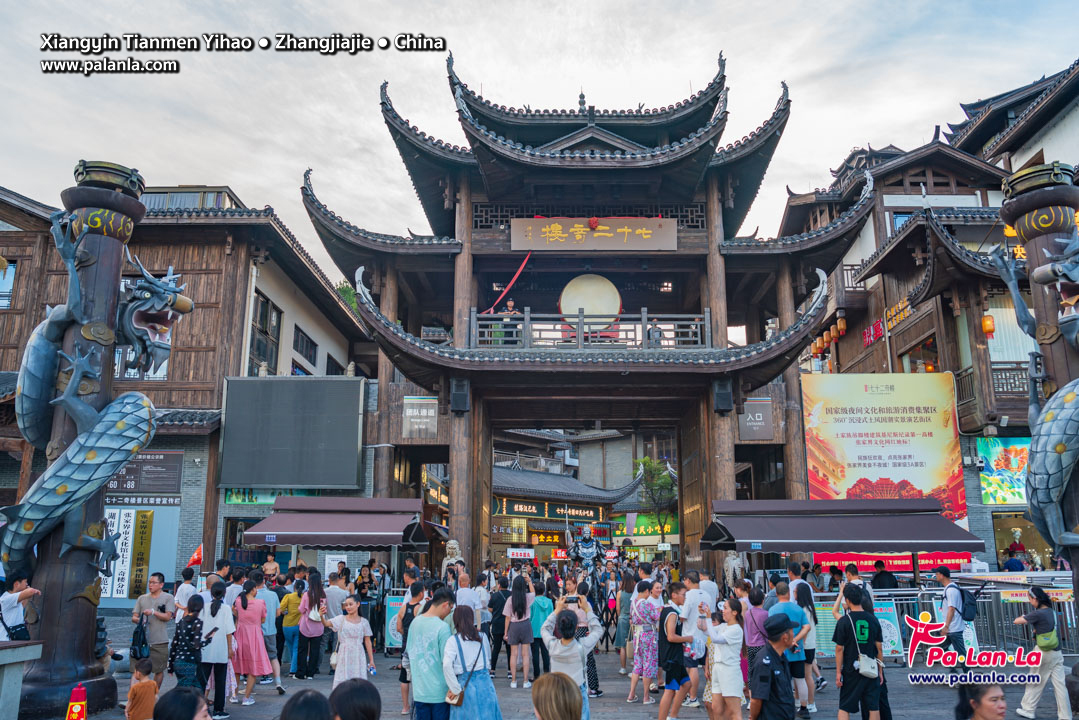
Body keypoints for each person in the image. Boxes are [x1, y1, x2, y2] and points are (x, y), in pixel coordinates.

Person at [1014, 586, 1071, 719]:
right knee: (1060, 686)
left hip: (1043, 652)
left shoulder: (1037, 613)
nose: (1030, 602)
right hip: (1057, 652)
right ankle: (1066, 716)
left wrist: (1023, 616)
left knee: (1035, 680)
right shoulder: (1052, 612)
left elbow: (1017, 621)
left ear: (1035, 599)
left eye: (1030, 599)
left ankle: (1028, 709)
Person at [541, 601, 603, 720]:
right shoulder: (582, 646)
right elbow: (598, 630)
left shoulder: (552, 645)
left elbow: (545, 629)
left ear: (558, 627)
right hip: (577, 690)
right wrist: (587, 610)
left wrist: (556, 611)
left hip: (557, 691)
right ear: (576, 627)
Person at [830, 583, 882, 720]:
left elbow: (839, 648)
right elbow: (879, 648)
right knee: (873, 707)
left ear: (847, 600)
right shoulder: (873, 619)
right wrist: (880, 671)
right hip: (871, 668)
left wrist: (838, 672)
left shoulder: (844, 621)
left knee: (844, 706)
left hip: (851, 669)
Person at [442, 606, 501, 720]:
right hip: (486, 685)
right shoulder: (483, 637)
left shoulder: (453, 641)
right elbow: (488, 659)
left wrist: (455, 688)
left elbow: (446, 665)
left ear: (456, 620)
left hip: (465, 686)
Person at [406, 586, 455, 720]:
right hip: (439, 692)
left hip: (419, 691)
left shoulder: (415, 623)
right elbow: (447, 661)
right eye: (450, 609)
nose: (449, 613)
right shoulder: (443, 627)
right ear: (446, 604)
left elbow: (409, 653)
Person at [767, 582, 811, 718]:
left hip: (780, 651)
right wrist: (795, 640)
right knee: (800, 679)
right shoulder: (798, 609)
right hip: (797, 649)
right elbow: (807, 627)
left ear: (776, 594)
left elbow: (770, 631)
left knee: (783, 680)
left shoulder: (773, 610)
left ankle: (784, 706)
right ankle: (804, 707)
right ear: (789, 593)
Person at [699, 597, 744, 720]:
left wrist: (708, 617)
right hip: (717, 669)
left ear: (735, 612)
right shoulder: (724, 626)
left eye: (725, 608)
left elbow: (715, 639)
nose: (722, 611)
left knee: (734, 711)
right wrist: (702, 614)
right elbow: (704, 629)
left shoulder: (736, 629)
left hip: (729, 670)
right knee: (717, 709)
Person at [318, 593, 374, 688]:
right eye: (346, 605)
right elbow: (327, 624)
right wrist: (321, 616)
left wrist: (371, 660)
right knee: (343, 678)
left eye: (351, 604)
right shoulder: (341, 619)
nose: (348, 607)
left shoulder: (364, 622)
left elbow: (367, 642)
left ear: (358, 604)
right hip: (344, 653)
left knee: (358, 678)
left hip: (358, 654)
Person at [132, 572, 177, 688]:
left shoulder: (168, 598)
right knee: (137, 670)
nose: (150, 585)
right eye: (149, 582)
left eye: (153, 583)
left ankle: (153, 694)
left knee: (159, 670)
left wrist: (153, 612)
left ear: (161, 584)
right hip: (141, 641)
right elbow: (134, 616)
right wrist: (139, 620)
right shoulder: (142, 598)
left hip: (159, 640)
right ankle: (135, 697)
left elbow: (168, 617)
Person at [749, 615, 797, 720]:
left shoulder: (781, 657)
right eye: (792, 631)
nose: (794, 635)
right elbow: (756, 699)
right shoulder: (764, 662)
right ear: (785, 636)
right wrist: (753, 717)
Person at [657, 581, 694, 720]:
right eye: (683, 595)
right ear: (674, 595)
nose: (685, 598)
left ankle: (673, 715)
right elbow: (671, 636)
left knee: (686, 684)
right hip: (672, 656)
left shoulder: (670, 610)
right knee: (670, 690)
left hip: (675, 655)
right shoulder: (672, 613)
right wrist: (687, 638)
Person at [233, 579, 272, 706]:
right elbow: (263, 619)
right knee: (253, 668)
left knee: (237, 667)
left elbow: (234, 611)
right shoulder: (260, 603)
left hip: (240, 634)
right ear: (253, 589)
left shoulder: (239, 602)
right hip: (254, 635)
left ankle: (234, 695)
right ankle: (246, 697)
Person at [201, 583, 236, 720]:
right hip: (221, 648)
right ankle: (218, 710)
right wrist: (229, 649)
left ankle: (200, 707)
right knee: (220, 681)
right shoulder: (226, 609)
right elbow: (229, 632)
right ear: (224, 593)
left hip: (205, 649)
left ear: (211, 593)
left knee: (202, 681)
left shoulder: (204, 607)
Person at [626, 580, 661, 705]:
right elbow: (657, 617)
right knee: (648, 665)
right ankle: (646, 697)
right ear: (647, 591)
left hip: (637, 637)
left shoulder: (634, 603)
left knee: (637, 665)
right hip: (649, 636)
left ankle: (631, 694)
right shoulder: (647, 604)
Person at [168, 594, 213, 688]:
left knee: (192, 690)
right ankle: (167, 702)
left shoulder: (181, 621)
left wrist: (170, 666)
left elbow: (174, 643)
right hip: (189, 662)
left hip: (178, 661)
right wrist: (209, 639)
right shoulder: (197, 622)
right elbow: (196, 645)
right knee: (186, 691)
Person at [253, 570, 287, 694]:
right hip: (271, 630)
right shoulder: (273, 595)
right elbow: (278, 613)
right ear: (264, 581)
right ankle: (278, 681)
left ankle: (252, 686)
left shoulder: (251, 595)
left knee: (255, 657)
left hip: (255, 632)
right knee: (273, 656)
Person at [396, 581, 424, 716]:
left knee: (404, 677)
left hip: (405, 646)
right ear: (421, 593)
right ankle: (418, 704)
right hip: (418, 647)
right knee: (419, 675)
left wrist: (406, 635)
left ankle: (405, 706)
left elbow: (398, 628)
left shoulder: (403, 608)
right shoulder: (420, 608)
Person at [505, 574, 536, 688]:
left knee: (513, 654)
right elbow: (533, 593)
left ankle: (513, 681)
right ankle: (525, 681)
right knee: (525, 654)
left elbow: (507, 617)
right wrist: (529, 581)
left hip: (513, 626)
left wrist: (505, 632)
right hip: (525, 624)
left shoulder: (510, 599)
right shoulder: (527, 597)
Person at [795, 583, 823, 707]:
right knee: (804, 676)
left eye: (795, 592)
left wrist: (797, 641)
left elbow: (805, 629)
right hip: (809, 646)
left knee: (806, 676)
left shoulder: (803, 610)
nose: (793, 594)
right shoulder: (809, 608)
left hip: (804, 646)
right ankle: (805, 702)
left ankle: (810, 703)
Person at [297, 570, 328, 680]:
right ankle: (311, 673)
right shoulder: (323, 595)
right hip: (318, 627)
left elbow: (301, 609)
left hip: (305, 626)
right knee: (315, 650)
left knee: (302, 650)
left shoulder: (306, 594)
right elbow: (324, 611)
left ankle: (301, 673)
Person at [936, 566, 967, 667]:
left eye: (937, 574)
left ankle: (968, 674)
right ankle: (953, 668)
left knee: (961, 653)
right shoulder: (950, 588)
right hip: (952, 627)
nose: (935, 576)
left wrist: (946, 626)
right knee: (942, 647)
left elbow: (951, 609)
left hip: (954, 627)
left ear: (942, 575)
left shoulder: (951, 590)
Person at [0, 570, 39, 641]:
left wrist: (27, 594)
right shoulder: (7, 598)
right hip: (6, 642)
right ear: (17, 584)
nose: (27, 584)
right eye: (25, 582)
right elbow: (30, 592)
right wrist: (33, 590)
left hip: (14, 640)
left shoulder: (14, 600)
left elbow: (22, 606)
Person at [488, 576, 512, 678]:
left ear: (499, 585)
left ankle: (492, 670)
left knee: (496, 648)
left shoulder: (494, 596)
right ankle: (510, 671)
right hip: (510, 625)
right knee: (509, 649)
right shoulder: (512, 595)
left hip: (497, 623)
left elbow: (490, 609)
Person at [530, 580, 554, 680]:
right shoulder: (549, 602)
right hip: (546, 631)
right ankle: (547, 673)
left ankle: (536, 675)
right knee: (545, 653)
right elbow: (552, 615)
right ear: (544, 591)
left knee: (535, 654)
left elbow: (530, 616)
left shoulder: (533, 601)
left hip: (534, 630)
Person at [744, 586, 769, 674]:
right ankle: (762, 686)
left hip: (750, 645)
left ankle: (751, 687)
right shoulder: (766, 614)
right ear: (763, 600)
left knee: (751, 669)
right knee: (763, 669)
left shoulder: (747, 613)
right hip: (762, 645)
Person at [325, 573, 350, 661]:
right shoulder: (343, 593)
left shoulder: (324, 592)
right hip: (339, 621)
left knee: (322, 644)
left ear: (329, 580)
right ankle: (334, 666)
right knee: (336, 644)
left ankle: (317, 667)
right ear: (338, 580)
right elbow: (344, 607)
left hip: (326, 620)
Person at [614, 571, 635, 676]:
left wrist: (620, 615)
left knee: (623, 646)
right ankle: (635, 668)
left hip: (622, 618)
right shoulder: (634, 593)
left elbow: (617, 609)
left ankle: (623, 668)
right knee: (634, 643)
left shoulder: (619, 593)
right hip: (633, 620)